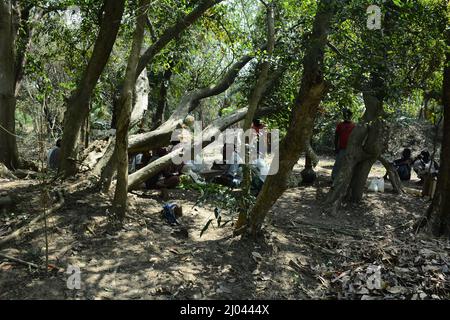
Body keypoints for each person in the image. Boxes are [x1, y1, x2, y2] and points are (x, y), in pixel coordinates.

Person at [331, 109, 355, 181]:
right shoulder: (340, 125)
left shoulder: (353, 126)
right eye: (345, 115)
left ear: (350, 116)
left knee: (348, 164)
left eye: (348, 115)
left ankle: (347, 179)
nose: (346, 116)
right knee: (338, 164)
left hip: (350, 149)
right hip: (341, 148)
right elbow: (336, 136)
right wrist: (336, 147)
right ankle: (334, 179)